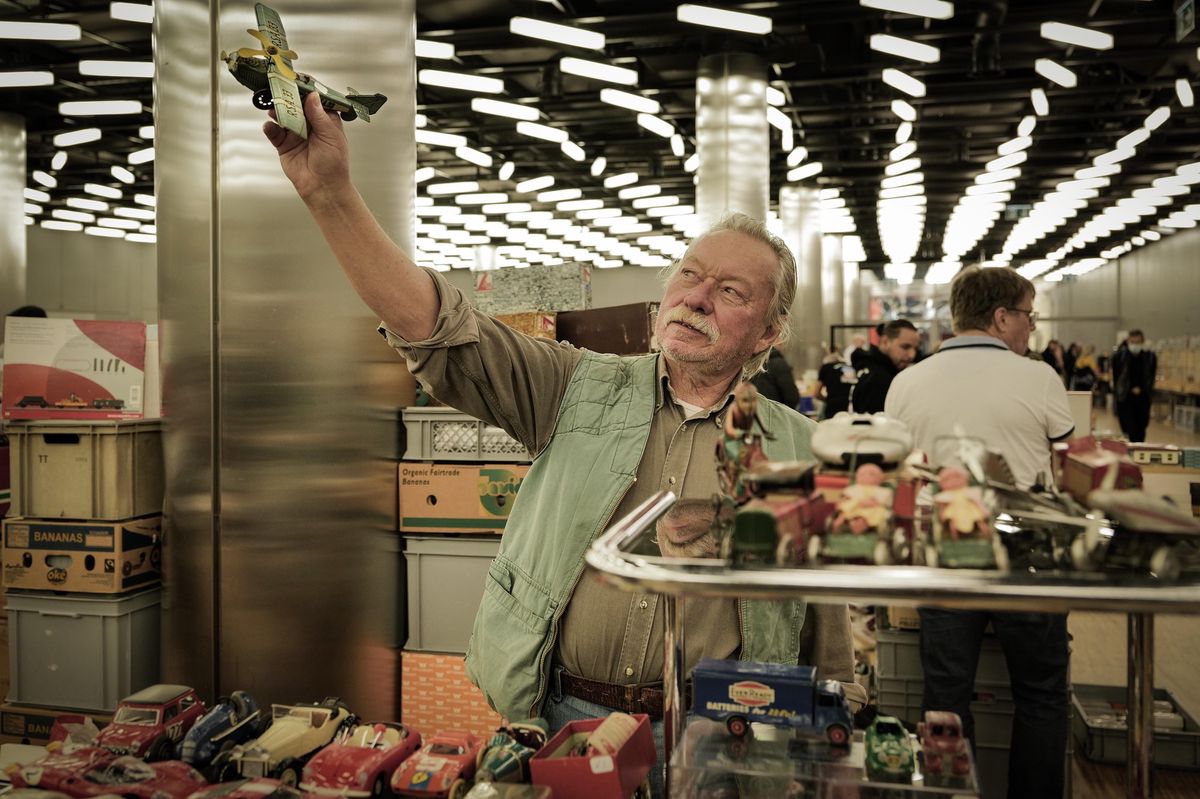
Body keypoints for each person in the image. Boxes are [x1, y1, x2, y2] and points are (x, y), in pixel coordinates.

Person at [263, 91, 863, 795]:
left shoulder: (799, 447)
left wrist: (831, 738)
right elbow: (436, 323)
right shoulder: (575, 385)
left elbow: (822, 623)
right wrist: (330, 193)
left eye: (730, 290)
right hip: (564, 718)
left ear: (768, 333)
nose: (695, 297)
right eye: (690, 274)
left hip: (720, 736)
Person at [885, 266, 1074, 799]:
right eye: (1028, 315)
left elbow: (898, 472)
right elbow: (1066, 468)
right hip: (1026, 556)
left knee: (945, 696)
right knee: (1041, 695)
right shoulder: (1038, 378)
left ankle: (948, 792)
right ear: (1000, 316)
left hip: (941, 551)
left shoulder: (907, 381)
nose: (1030, 328)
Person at [850, 319, 919, 413]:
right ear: (885, 342)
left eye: (915, 348)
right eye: (905, 347)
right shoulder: (877, 379)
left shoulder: (878, 371)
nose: (912, 355)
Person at [1113, 330, 1157, 443]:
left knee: (1140, 429)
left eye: (1138, 342)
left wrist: (1143, 389)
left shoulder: (1150, 358)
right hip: (1125, 398)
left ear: (1142, 342)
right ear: (1128, 342)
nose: (1135, 345)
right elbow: (1117, 378)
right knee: (1127, 429)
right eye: (1132, 342)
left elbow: (1150, 378)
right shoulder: (1119, 358)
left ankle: (1139, 452)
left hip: (1143, 399)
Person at [815, 348, 854, 419]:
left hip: (832, 408)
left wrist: (828, 399)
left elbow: (816, 393)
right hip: (849, 409)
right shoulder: (849, 368)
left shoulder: (825, 368)